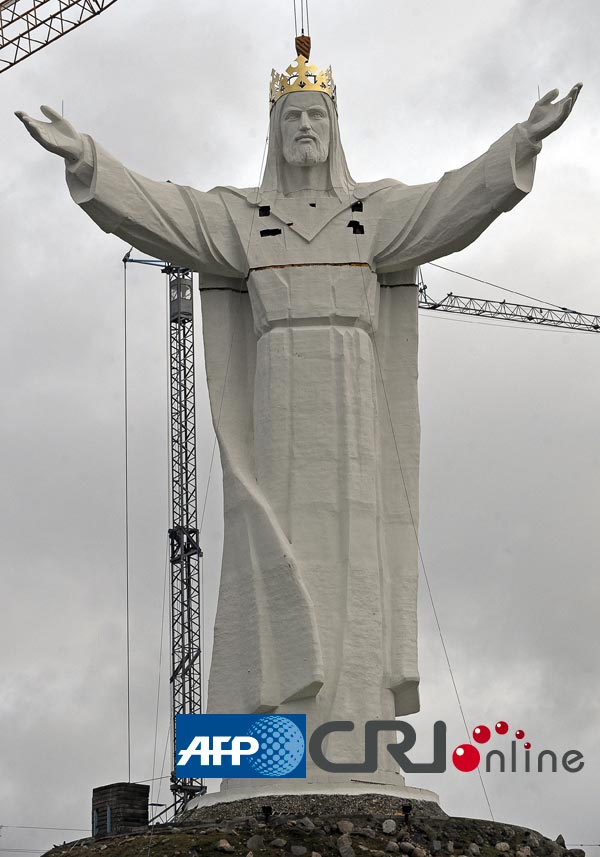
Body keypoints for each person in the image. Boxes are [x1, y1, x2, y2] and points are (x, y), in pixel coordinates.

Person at [16, 45, 581, 796]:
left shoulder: (372, 213)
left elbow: (453, 201)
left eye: (316, 115)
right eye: (292, 117)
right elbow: (161, 210)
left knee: (355, 567)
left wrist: (521, 142)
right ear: (275, 132)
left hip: (353, 414)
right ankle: (256, 758)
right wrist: (87, 157)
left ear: (334, 128)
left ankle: (357, 747)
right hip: (278, 406)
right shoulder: (242, 217)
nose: (305, 127)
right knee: (272, 558)